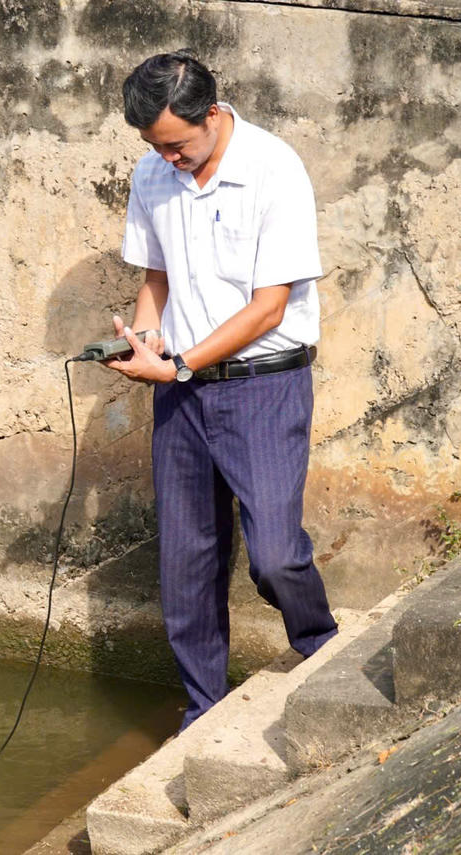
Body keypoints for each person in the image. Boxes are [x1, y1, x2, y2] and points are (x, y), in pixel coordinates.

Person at [106, 51, 338, 729]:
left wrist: (178, 366)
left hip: (262, 385)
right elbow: (157, 281)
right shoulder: (152, 173)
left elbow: (270, 306)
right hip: (180, 390)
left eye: (178, 144)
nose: (169, 159)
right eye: (155, 147)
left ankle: (321, 648)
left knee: (274, 553)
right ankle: (203, 709)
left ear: (212, 113)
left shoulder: (274, 169)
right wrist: (147, 340)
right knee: (186, 567)